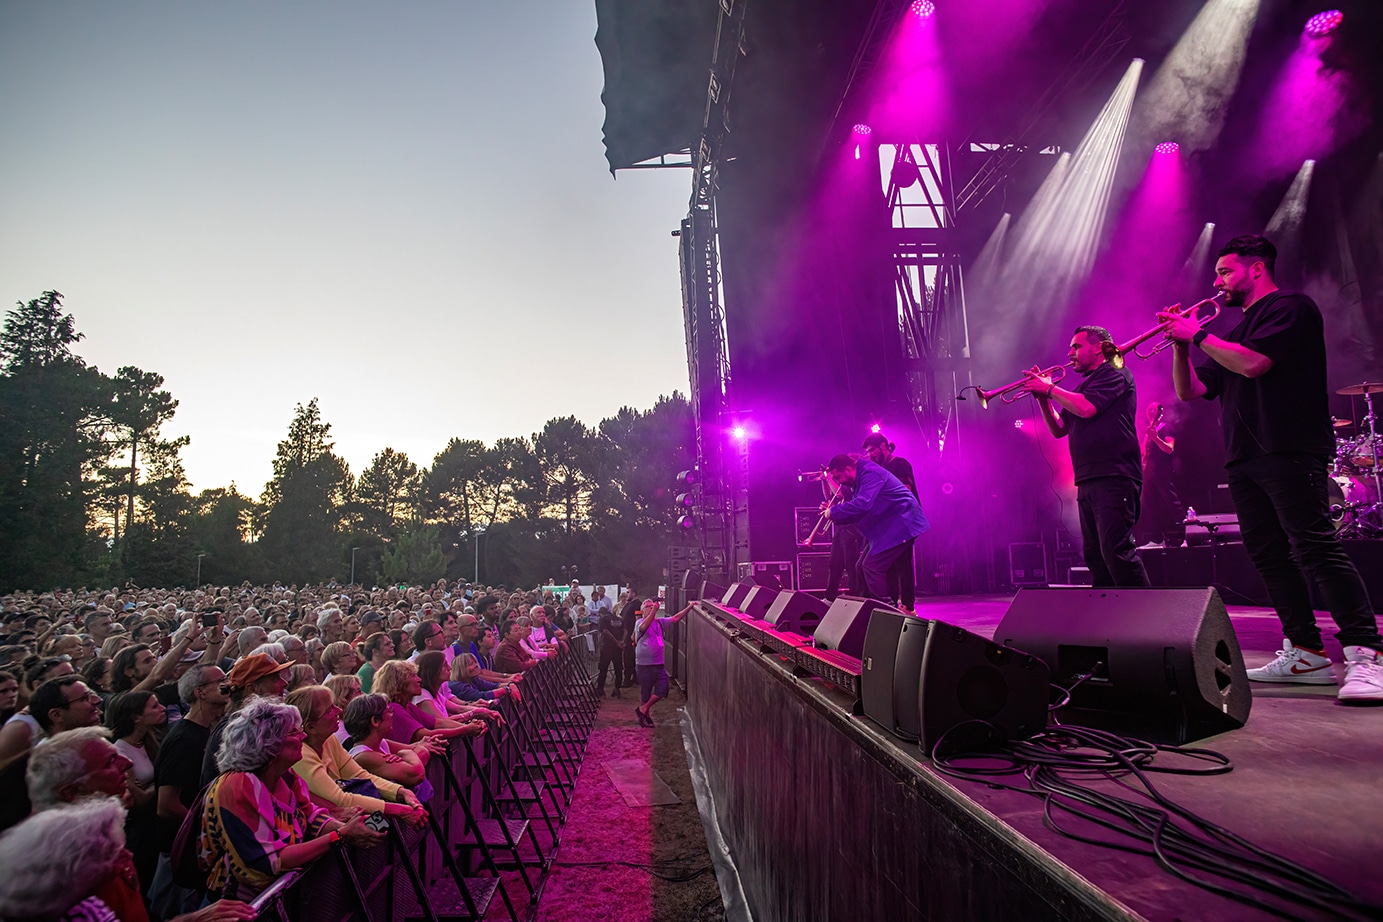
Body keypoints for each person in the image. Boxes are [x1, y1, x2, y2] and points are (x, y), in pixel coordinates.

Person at [1161, 233, 1383, 702]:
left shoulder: (1291, 308)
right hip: (1244, 455)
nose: (1218, 282)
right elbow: (1191, 391)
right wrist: (1180, 347)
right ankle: (1306, 653)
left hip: (1290, 447)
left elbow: (1256, 365)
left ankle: (1368, 654)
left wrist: (1197, 334)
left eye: (1225, 272)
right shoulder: (1234, 330)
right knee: (1269, 556)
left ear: (1256, 268)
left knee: (1316, 548)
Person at [200, 698, 384, 901]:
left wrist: (352, 828)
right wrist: (341, 835)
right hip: (240, 905)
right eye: (295, 732)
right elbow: (271, 861)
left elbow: (311, 816)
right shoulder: (236, 785)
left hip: (284, 900)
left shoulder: (286, 776)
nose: (303, 736)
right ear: (268, 742)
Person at [1021, 325, 1151, 588]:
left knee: (1117, 552)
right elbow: (1059, 429)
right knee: (1096, 556)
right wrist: (1043, 399)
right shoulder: (1083, 385)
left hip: (1115, 474)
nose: (1069, 353)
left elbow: (1088, 409)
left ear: (1100, 347)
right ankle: (1108, 620)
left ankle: (1149, 619)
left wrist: (1050, 390)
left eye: (1077, 346)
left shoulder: (1115, 373)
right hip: (1090, 478)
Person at [149, 663, 228, 918]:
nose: (227, 683)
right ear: (200, 692)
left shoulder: (210, 730)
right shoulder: (183, 739)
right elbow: (166, 805)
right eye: (219, 680)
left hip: (199, 846)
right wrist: (207, 831)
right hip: (180, 850)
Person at [284, 685, 427, 826]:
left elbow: (360, 774)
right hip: (328, 830)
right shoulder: (302, 754)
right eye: (329, 710)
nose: (339, 711)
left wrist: (401, 792)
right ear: (310, 727)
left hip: (347, 819)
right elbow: (340, 800)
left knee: (386, 833)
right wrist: (398, 810)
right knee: (383, 833)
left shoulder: (328, 739)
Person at [821, 455, 930, 605]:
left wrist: (834, 512)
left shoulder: (869, 474)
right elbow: (860, 511)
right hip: (890, 525)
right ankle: (867, 609)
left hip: (902, 523)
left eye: (838, 477)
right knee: (860, 567)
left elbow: (862, 504)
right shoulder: (859, 480)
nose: (838, 482)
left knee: (871, 567)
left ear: (848, 469)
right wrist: (835, 514)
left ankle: (890, 610)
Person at [105, 689, 167, 893]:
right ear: (136, 717)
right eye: (154, 706)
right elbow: (139, 799)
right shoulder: (119, 751)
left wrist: (149, 786)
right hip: (141, 834)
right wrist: (165, 782)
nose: (162, 709)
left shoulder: (150, 739)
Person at [862, 432, 920, 608]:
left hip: (904, 521)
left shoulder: (899, 464)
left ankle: (908, 606)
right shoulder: (881, 469)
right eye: (867, 452)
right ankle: (893, 604)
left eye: (872, 450)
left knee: (902, 565)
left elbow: (905, 491)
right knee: (890, 567)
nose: (869, 455)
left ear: (883, 447)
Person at [632, 600, 692, 728]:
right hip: (644, 664)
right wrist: (654, 610)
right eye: (647, 606)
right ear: (642, 610)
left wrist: (690, 607)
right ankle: (646, 717)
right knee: (646, 692)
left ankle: (643, 709)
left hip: (658, 663)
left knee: (663, 689)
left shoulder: (659, 622)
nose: (650, 608)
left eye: (651, 606)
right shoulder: (639, 622)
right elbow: (644, 628)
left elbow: (675, 618)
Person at [1138, 402, 1185, 547]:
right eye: (1149, 408)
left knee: (1172, 502)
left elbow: (1170, 449)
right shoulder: (1148, 430)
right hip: (1149, 472)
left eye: (1155, 408)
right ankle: (1156, 539)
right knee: (1148, 504)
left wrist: (1156, 438)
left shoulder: (1166, 427)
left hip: (1162, 470)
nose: (1152, 411)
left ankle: (1185, 536)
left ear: (1160, 412)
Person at [596, 603, 627, 697]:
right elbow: (625, 630)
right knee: (618, 668)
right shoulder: (618, 619)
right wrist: (622, 641)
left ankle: (600, 689)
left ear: (600, 613)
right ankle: (617, 689)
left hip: (607, 646)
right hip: (618, 648)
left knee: (603, 668)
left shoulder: (603, 619)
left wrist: (616, 642)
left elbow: (605, 631)